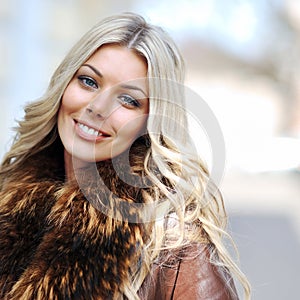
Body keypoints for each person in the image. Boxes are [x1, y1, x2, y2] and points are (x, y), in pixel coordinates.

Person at [0, 12, 250, 299]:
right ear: (64, 84)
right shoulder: (10, 189)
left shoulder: (171, 241)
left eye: (128, 100)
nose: (98, 107)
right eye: (88, 82)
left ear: (149, 122)